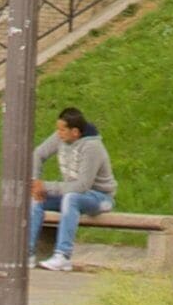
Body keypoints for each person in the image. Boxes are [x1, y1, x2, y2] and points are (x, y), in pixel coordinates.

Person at [25, 106, 115, 272]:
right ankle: (27, 253)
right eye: (58, 129)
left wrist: (46, 185)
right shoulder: (61, 137)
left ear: (75, 132)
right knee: (37, 198)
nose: (59, 133)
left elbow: (82, 186)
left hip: (100, 198)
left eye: (62, 130)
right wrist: (35, 182)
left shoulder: (92, 147)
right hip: (72, 194)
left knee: (71, 198)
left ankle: (63, 256)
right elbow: (38, 154)